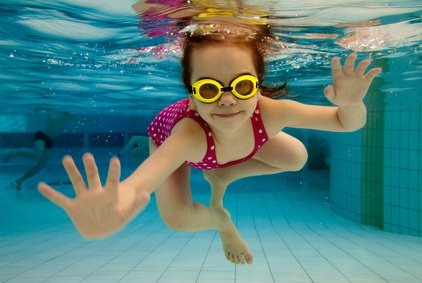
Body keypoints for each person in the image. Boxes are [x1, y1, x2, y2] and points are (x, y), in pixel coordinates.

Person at [37, 22, 382, 265]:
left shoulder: (270, 112)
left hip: (228, 152)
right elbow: (140, 182)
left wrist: (350, 104)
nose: (228, 100)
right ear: (190, 96)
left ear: (258, 86)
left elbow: (343, 122)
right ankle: (222, 221)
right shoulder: (188, 135)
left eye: (242, 86)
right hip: (179, 141)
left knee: (296, 156)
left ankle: (223, 175)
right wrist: (112, 211)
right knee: (177, 218)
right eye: (208, 89)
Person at [3, 111, 81, 190]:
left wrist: (91, 120)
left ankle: (20, 180)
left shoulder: (67, 116)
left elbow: (82, 120)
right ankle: (15, 152)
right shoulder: (56, 112)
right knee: (36, 154)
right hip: (42, 136)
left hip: (50, 140)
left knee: (41, 165)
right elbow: (52, 113)